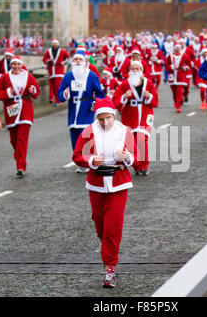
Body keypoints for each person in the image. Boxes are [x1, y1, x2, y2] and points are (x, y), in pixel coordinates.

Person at [72, 96, 137, 288]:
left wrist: (127, 157)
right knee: (100, 225)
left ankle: (110, 269)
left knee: (112, 227)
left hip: (119, 184)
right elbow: (76, 156)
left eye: (108, 118)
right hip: (97, 183)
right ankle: (107, 248)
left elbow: (135, 156)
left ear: (114, 116)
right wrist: (91, 160)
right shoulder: (89, 131)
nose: (105, 122)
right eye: (101, 119)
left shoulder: (125, 131)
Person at [58, 49, 106, 173]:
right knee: (75, 140)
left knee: (85, 137)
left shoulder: (91, 75)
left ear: (84, 61)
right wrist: (64, 93)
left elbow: (100, 93)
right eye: (76, 60)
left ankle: (88, 161)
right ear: (73, 62)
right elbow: (59, 94)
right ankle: (80, 162)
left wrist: (95, 103)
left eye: (80, 59)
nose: (78, 62)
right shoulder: (68, 76)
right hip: (73, 112)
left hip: (86, 109)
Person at [0, 56, 41, 177]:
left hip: (25, 109)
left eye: (18, 64)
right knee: (14, 139)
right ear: (11, 65)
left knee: (22, 139)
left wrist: (33, 90)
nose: (16, 67)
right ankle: (19, 156)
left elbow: (36, 92)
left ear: (22, 65)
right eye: (14, 64)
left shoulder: (28, 76)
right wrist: (8, 93)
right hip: (11, 110)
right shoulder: (5, 78)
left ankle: (21, 167)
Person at [112, 60, 159, 176]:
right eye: (132, 68)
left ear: (141, 71)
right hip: (129, 116)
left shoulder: (148, 83)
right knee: (130, 142)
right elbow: (115, 100)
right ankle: (136, 165)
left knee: (142, 139)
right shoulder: (125, 84)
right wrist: (124, 96)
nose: (134, 70)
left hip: (145, 113)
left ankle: (143, 166)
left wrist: (149, 96)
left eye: (137, 68)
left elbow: (156, 101)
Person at [165, 43, 191, 113]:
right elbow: (166, 65)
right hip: (172, 75)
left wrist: (186, 68)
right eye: (176, 48)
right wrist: (171, 67)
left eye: (178, 48)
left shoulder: (184, 55)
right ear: (174, 48)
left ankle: (178, 106)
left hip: (180, 75)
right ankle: (176, 101)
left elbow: (189, 64)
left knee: (179, 90)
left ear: (180, 49)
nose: (177, 49)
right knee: (174, 91)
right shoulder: (170, 56)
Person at [43, 39, 69, 106]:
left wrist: (64, 62)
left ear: (58, 44)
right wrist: (49, 60)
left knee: (57, 86)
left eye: (56, 43)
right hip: (51, 70)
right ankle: (53, 98)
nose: (55, 44)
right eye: (54, 43)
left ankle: (58, 100)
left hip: (59, 70)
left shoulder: (62, 51)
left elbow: (67, 59)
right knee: (52, 86)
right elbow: (44, 59)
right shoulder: (48, 51)